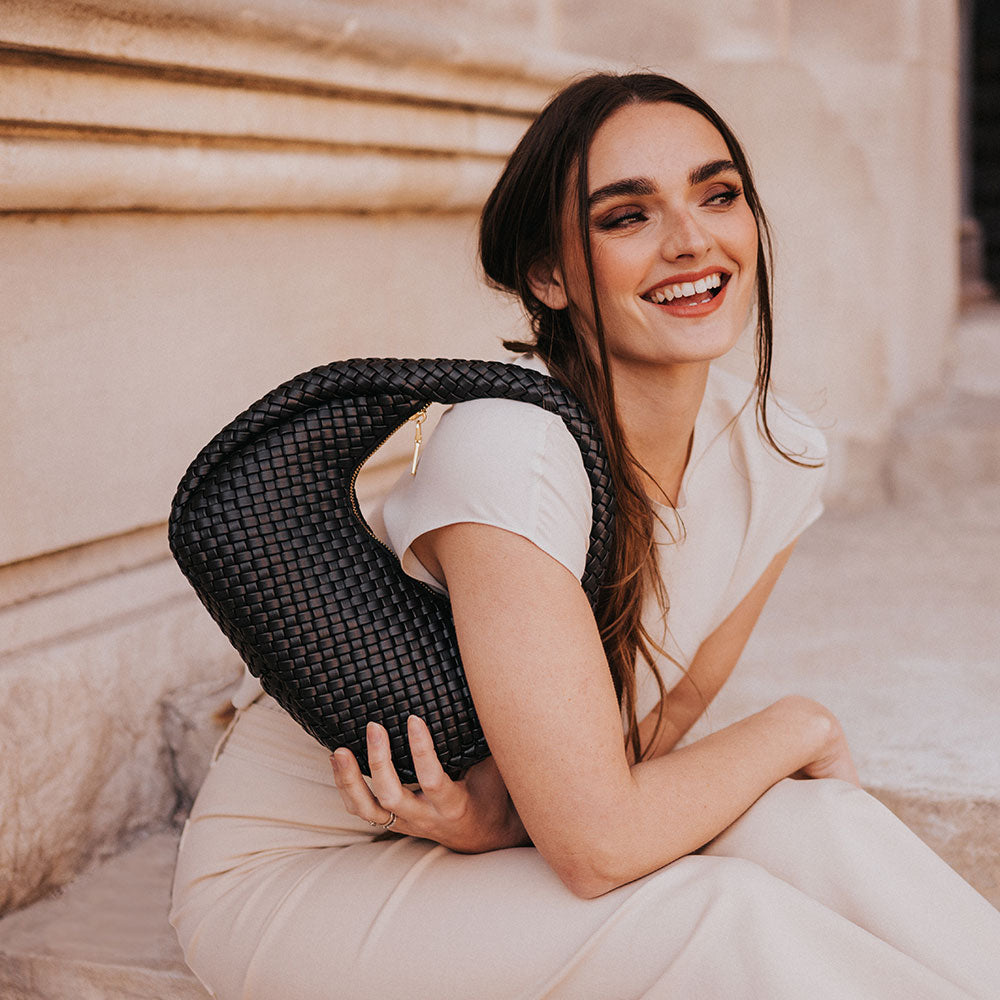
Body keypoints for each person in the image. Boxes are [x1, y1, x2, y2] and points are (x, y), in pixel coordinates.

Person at [170, 73, 1000, 999]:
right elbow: (601, 846)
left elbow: (659, 726)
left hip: (506, 842)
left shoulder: (780, 454)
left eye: (717, 195)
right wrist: (798, 725)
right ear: (548, 275)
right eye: (626, 217)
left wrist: (511, 814)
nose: (693, 241)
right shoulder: (508, 449)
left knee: (820, 830)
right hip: (304, 875)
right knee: (722, 916)